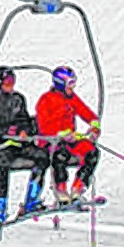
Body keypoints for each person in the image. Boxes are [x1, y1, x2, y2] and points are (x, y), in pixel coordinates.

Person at [0, 67, 47, 236]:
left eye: (12, 81)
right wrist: (7, 133)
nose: (11, 85)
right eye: (8, 82)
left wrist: (25, 130)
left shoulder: (18, 99)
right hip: (1, 146)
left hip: (19, 145)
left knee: (42, 158)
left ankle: (32, 199)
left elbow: (23, 119)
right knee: (4, 164)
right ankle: (0, 205)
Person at [33, 66, 101, 204]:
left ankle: (78, 188)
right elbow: (44, 127)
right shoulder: (46, 100)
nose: (73, 86)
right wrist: (61, 134)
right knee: (60, 154)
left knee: (92, 152)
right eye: (70, 83)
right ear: (60, 83)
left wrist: (94, 128)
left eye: (73, 82)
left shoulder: (72, 98)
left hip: (70, 140)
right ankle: (61, 190)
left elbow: (88, 114)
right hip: (51, 141)